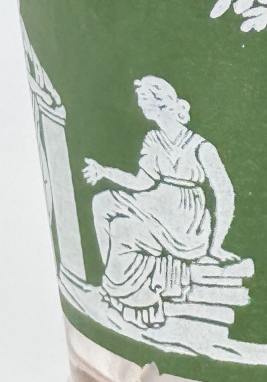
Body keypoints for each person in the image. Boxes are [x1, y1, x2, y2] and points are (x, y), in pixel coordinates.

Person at [83, 76, 239, 329]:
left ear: (160, 103)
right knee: (102, 203)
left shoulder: (201, 147)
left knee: (123, 229)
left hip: (184, 218)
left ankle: (137, 297)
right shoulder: (154, 139)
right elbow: (142, 182)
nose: (139, 105)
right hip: (155, 202)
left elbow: (225, 192)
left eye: (143, 99)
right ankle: (120, 282)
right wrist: (105, 172)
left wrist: (216, 245)